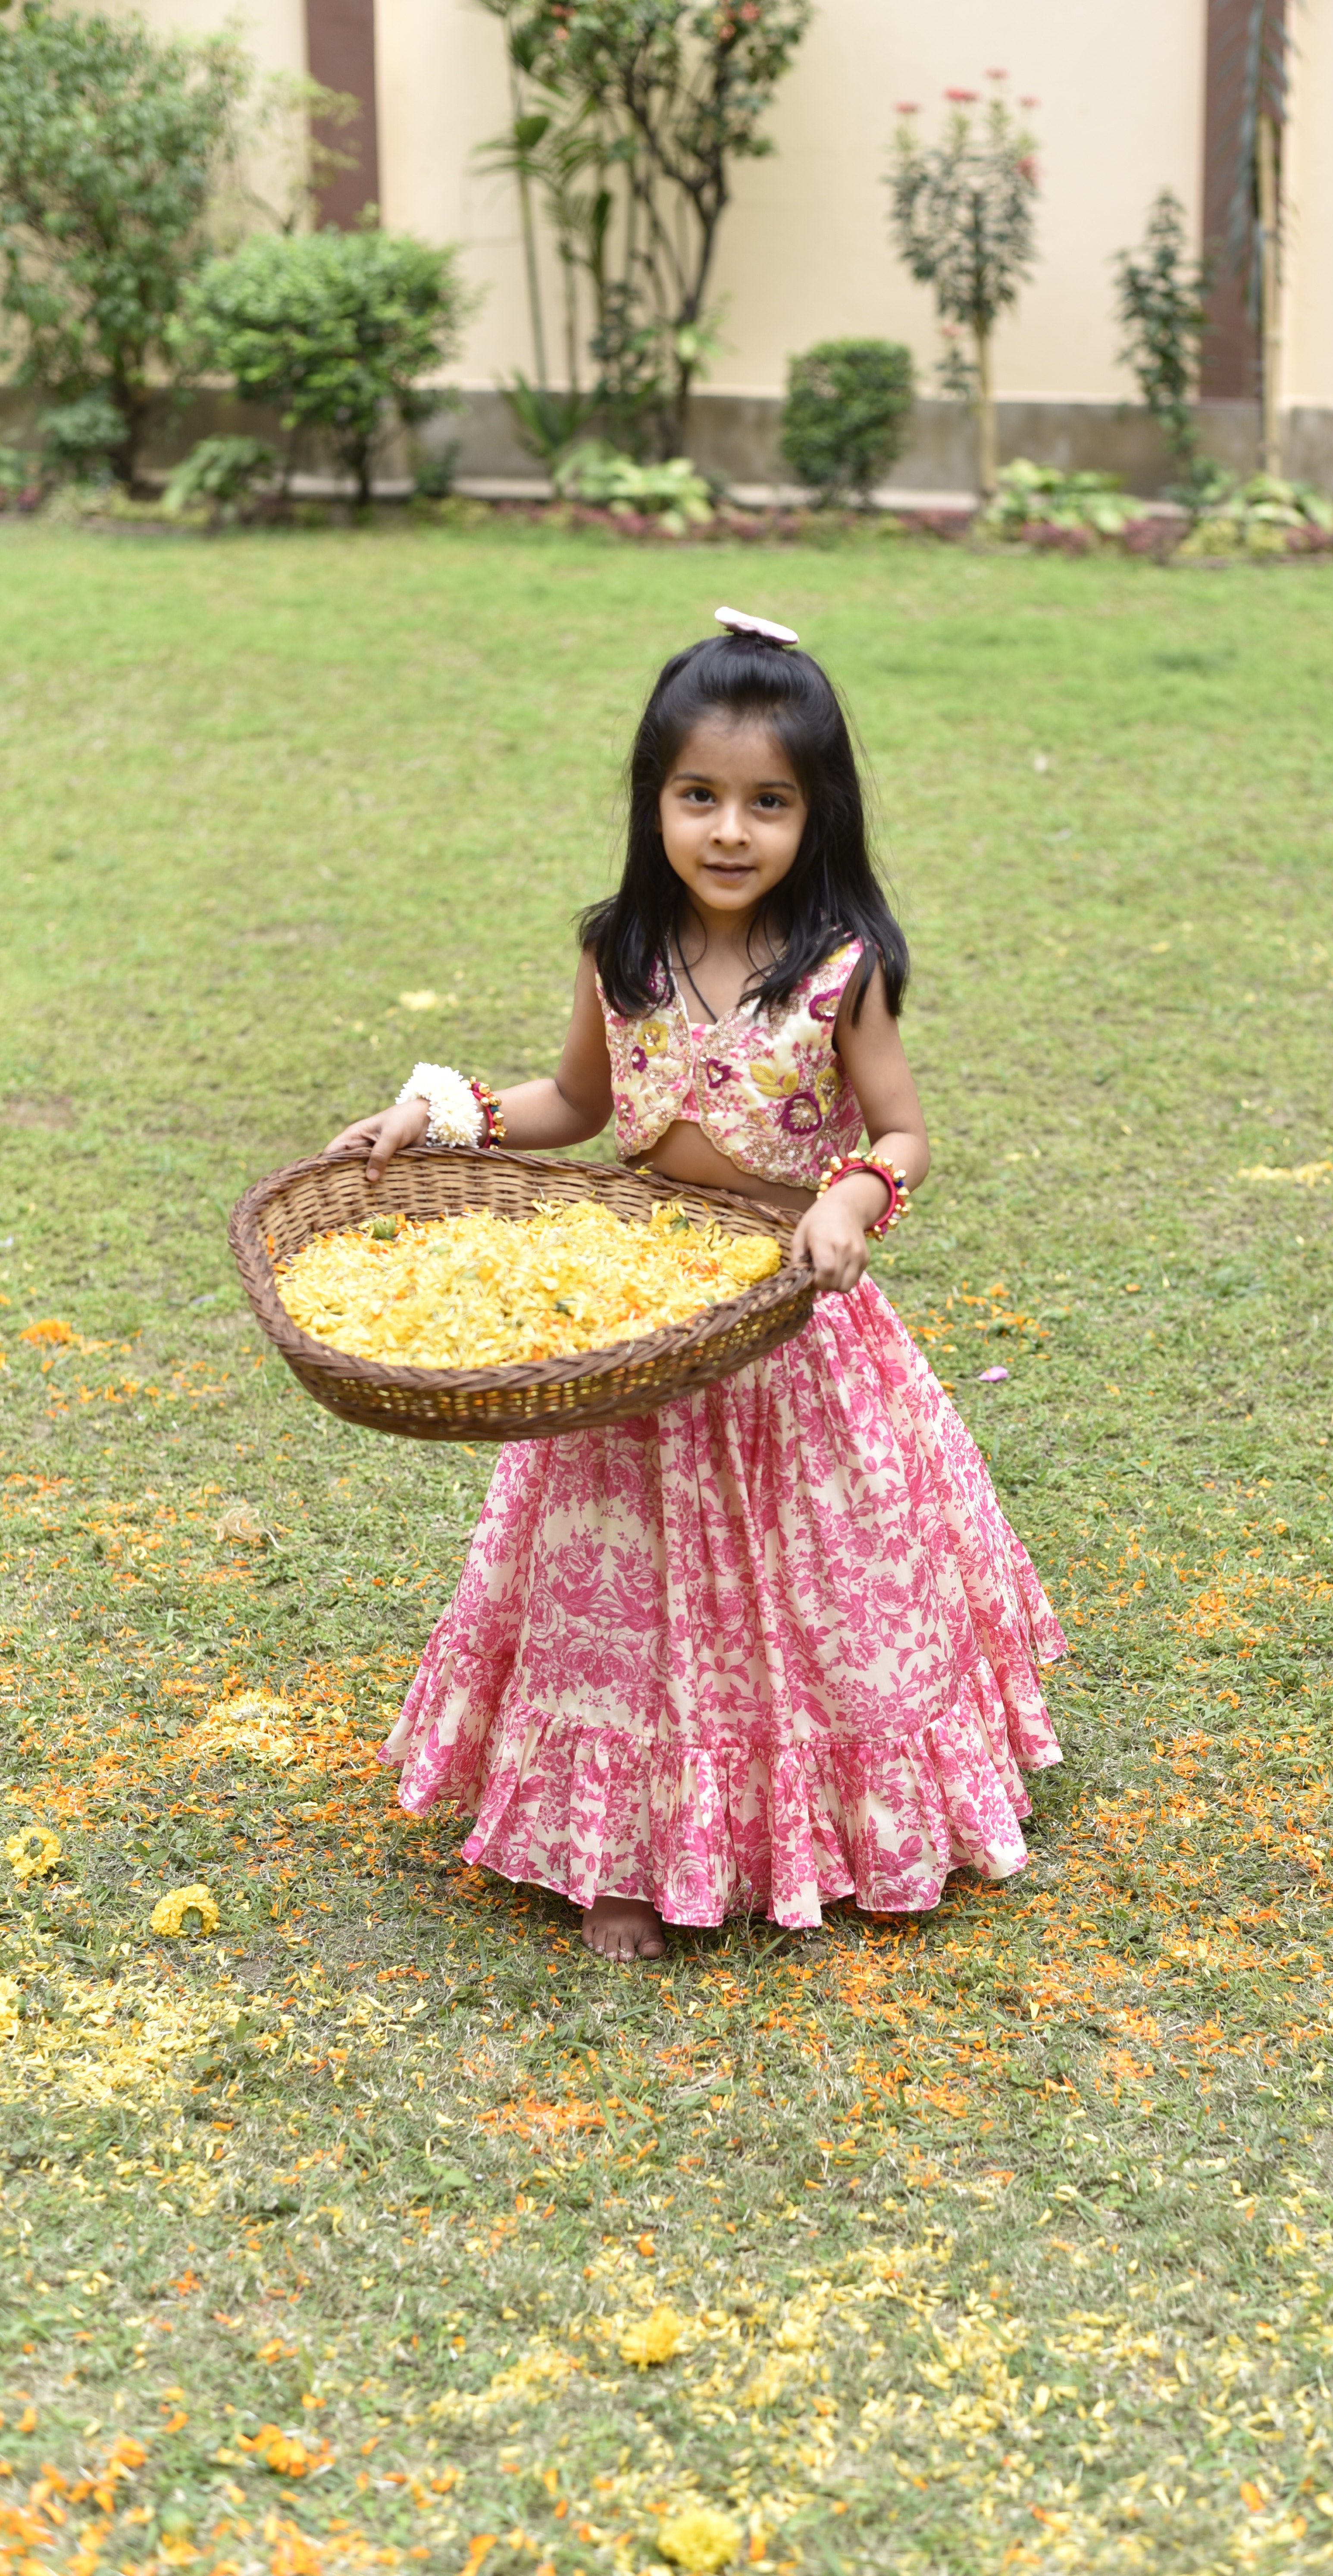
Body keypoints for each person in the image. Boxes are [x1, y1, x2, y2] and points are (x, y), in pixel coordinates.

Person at [325, 608, 1063, 1961]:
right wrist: (440, 1119)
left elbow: (901, 1133)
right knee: (629, 1609)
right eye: (700, 797)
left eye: (768, 803)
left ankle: (829, 1822)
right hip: (636, 1332)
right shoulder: (624, 952)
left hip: (788, 1334)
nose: (731, 831)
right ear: (653, 802)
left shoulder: (842, 973)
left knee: (812, 1602)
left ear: (816, 814)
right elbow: (569, 1104)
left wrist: (853, 1196)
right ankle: (621, 1857)